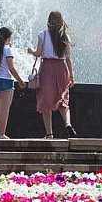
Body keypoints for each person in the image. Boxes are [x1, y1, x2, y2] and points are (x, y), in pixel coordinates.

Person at [27, 11, 76, 139]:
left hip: (48, 68)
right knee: (63, 100)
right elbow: (69, 58)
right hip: (62, 68)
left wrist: (30, 51)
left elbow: (38, 53)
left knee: (45, 101)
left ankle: (49, 134)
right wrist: (71, 76)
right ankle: (68, 123)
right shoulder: (65, 37)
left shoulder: (42, 35)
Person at [0, 27, 26, 139]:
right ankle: (1, 134)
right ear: (8, 38)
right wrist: (20, 81)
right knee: (5, 109)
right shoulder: (7, 50)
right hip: (6, 81)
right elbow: (11, 68)